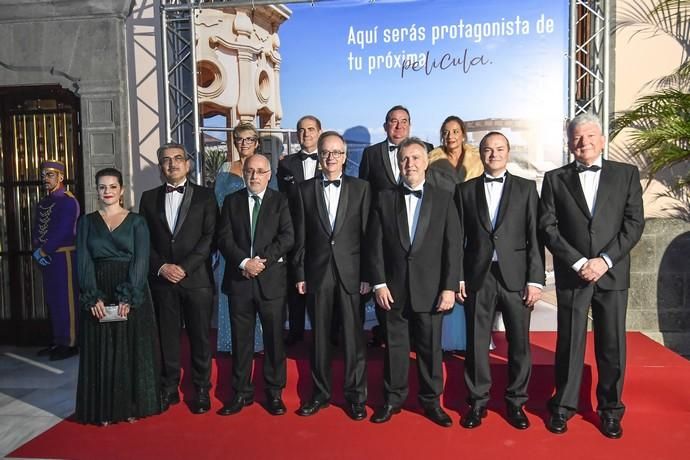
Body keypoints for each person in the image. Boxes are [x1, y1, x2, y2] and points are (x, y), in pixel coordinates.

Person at [539, 113, 644, 439]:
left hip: (611, 275)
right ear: (569, 142)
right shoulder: (554, 179)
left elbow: (634, 224)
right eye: (576, 137)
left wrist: (604, 260)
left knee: (611, 346)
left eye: (589, 136)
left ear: (602, 139)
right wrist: (579, 261)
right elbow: (548, 227)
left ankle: (611, 410)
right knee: (569, 343)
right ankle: (563, 407)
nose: (583, 143)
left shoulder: (626, 174)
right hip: (574, 275)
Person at [368, 137, 461, 427]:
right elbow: (374, 245)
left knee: (430, 350)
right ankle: (393, 400)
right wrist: (379, 283)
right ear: (399, 164)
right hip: (392, 291)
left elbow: (453, 246)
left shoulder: (444, 197)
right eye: (405, 159)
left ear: (426, 163)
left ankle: (432, 402)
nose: (410, 164)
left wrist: (448, 287)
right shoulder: (383, 198)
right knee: (394, 349)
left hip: (432, 290)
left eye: (416, 158)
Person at [455, 132, 545, 430]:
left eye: (499, 149)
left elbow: (534, 237)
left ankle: (516, 403)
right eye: (487, 149)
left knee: (519, 344)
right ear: (480, 154)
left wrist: (535, 279)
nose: (493, 154)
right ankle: (477, 403)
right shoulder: (465, 191)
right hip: (478, 277)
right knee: (477, 343)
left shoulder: (526, 188)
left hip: (516, 278)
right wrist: (458, 276)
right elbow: (457, 240)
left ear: (508, 152)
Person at [293, 131, 371, 421]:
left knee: (353, 339)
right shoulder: (302, 190)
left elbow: (367, 236)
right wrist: (300, 273)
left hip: (352, 274)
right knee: (320, 339)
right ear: (319, 156)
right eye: (325, 152)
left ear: (345, 155)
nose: (330, 158)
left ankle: (356, 397)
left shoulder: (362, 188)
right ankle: (320, 394)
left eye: (336, 153)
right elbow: (300, 237)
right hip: (318, 273)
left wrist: (367, 274)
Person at [75, 167, 161, 425]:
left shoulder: (137, 221)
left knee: (130, 348)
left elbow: (141, 260)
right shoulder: (86, 222)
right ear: (97, 190)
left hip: (130, 289)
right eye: (102, 187)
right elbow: (83, 260)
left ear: (122, 190)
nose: (108, 191)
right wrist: (93, 296)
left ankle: (132, 405)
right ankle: (103, 410)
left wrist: (130, 296)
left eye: (113, 186)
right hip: (99, 288)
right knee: (102, 348)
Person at [139, 143, 217, 415]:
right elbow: (143, 240)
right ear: (161, 166)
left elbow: (210, 238)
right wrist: (161, 267)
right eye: (166, 160)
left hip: (197, 280)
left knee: (200, 339)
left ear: (188, 164)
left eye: (177, 159)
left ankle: (201, 389)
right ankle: (169, 388)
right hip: (162, 281)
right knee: (167, 337)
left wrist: (183, 267)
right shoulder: (148, 198)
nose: (172, 164)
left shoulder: (207, 196)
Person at [216, 154, 293, 416]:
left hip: (271, 281)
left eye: (260, 171)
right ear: (244, 173)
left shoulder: (280, 201)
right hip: (240, 281)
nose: (255, 176)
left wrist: (262, 261)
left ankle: (274, 393)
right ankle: (240, 394)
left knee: (273, 341)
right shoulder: (231, 201)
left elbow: (287, 236)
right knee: (241, 342)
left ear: (269, 174)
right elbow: (223, 238)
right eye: (250, 171)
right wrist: (243, 262)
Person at [359, 105, 432, 347]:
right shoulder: (371, 154)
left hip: (417, 238)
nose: (398, 126)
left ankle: (413, 339)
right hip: (386, 236)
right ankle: (388, 337)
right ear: (385, 126)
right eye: (393, 121)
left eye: (403, 121)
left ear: (410, 125)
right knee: (388, 294)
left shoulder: (426, 151)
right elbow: (364, 195)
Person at [427, 116, 484, 353]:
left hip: (474, 223)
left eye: (455, 131)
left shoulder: (478, 159)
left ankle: (473, 337)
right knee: (449, 274)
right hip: (444, 223)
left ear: (463, 134)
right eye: (446, 132)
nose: (451, 136)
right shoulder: (432, 160)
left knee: (472, 277)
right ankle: (449, 339)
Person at [215, 122, 265, 354]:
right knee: (231, 292)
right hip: (229, 244)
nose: (243, 143)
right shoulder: (225, 168)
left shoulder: (264, 169)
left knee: (256, 294)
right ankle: (229, 342)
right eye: (239, 139)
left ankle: (257, 343)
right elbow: (216, 205)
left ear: (256, 142)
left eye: (249, 139)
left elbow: (271, 208)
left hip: (256, 244)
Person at [277, 115, 323, 346]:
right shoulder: (285, 164)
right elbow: (281, 201)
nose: (306, 134)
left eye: (311, 129)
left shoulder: (331, 160)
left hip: (324, 234)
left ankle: (326, 334)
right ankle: (294, 332)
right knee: (295, 283)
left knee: (323, 285)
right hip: (295, 233)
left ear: (319, 132)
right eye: (301, 130)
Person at [31, 160, 80, 361]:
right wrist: (37, 251)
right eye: (44, 175)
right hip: (46, 256)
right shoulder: (43, 202)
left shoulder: (68, 201)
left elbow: (64, 230)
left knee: (67, 301)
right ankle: (58, 340)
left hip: (63, 256)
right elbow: (37, 229)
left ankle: (70, 342)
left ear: (61, 177)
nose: (46, 179)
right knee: (53, 301)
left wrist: (44, 250)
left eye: (50, 175)